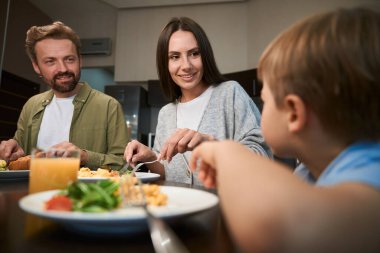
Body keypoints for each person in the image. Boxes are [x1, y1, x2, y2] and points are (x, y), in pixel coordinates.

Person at [190, 7, 380, 253]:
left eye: (265, 100)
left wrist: (226, 152)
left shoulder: (372, 171)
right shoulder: (308, 172)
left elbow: (283, 231)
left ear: (293, 113)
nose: (262, 107)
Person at [124, 17, 271, 185]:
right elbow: (168, 172)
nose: (186, 65)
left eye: (194, 53)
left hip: (226, 209)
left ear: (205, 55)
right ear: (165, 64)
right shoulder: (166, 114)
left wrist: (212, 145)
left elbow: (263, 157)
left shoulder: (230, 93)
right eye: (175, 56)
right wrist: (151, 157)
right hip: (177, 208)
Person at [0, 21, 128, 170]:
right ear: (36, 66)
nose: (63, 68)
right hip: (35, 191)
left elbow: (124, 165)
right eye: (50, 61)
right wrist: (14, 152)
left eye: (69, 59)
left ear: (80, 60)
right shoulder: (32, 105)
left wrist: (85, 157)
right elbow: (21, 153)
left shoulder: (108, 105)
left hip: (81, 193)